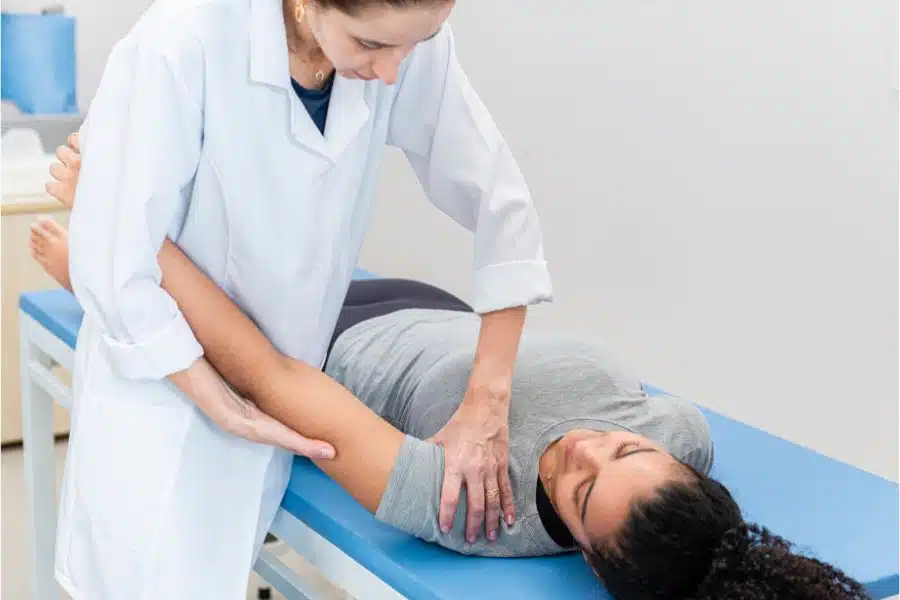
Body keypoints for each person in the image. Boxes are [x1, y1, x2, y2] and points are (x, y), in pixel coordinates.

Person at [35, 166, 870, 599]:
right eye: (621, 448)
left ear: (583, 555)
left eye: (579, 491)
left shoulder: (472, 505)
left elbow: (271, 374)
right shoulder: (681, 436)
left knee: (118, 201)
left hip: (310, 336)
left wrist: (115, 250)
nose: (583, 448)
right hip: (428, 307)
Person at [57, 0, 552, 597]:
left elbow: (501, 201)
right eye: (370, 47)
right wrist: (222, 400)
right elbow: (116, 260)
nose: (394, 72)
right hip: (160, 407)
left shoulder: (401, 38)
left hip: (282, 388)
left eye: (418, 44)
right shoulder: (180, 43)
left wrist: (487, 403)